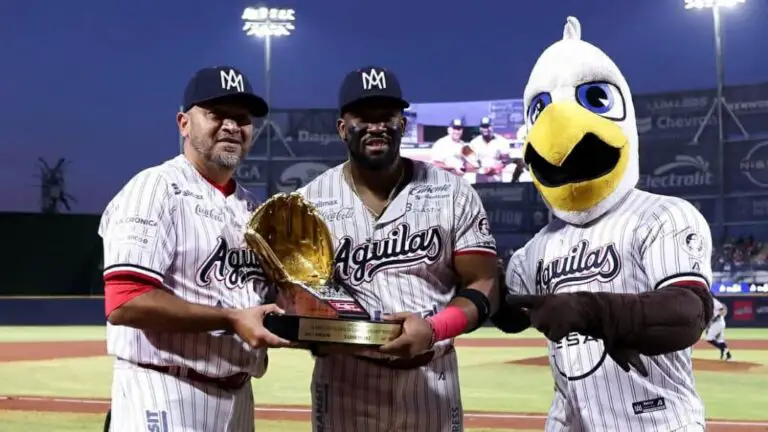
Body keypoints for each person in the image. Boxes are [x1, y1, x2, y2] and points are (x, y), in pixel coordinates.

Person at [490, 17, 714, 431]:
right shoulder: (536, 249)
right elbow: (509, 313)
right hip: (569, 423)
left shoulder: (662, 215)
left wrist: (590, 310)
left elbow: (687, 315)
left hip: (657, 423)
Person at [296, 65, 499, 432]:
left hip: (432, 380)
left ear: (403, 123)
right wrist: (313, 328)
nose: (377, 126)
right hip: (345, 383)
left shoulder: (452, 192)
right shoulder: (308, 203)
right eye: (363, 116)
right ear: (343, 127)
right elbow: (298, 295)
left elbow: (484, 283)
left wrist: (435, 329)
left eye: (387, 116)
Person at [98, 65, 291, 432]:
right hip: (164, 388)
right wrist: (230, 319)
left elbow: (266, 304)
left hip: (238, 395)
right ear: (184, 123)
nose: (232, 126)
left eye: (242, 118)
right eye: (217, 114)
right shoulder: (155, 188)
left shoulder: (253, 210)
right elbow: (126, 300)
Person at [468, 116, 513, 183]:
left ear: (492, 127)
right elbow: (470, 161)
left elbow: (507, 160)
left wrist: (497, 167)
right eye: (483, 127)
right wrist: (478, 167)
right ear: (480, 128)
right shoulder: (474, 143)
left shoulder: (501, 141)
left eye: (488, 126)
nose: (485, 129)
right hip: (481, 178)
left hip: (496, 178)